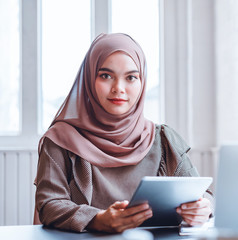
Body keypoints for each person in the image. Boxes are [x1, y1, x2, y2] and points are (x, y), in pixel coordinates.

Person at [34, 33, 214, 233]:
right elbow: (49, 204)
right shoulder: (61, 139)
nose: (118, 88)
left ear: (142, 82)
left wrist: (203, 208)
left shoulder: (163, 139)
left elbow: (203, 195)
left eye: (131, 77)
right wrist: (97, 219)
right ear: (88, 79)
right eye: (105, 75)